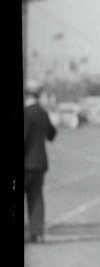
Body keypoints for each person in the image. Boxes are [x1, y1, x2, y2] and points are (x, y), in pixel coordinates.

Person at [24, 79, 58, 244]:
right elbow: (52, 135)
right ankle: (37, 234)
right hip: (40, 163)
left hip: (26, 163)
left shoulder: (26, 113)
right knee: (36, 197)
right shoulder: (42, 113)